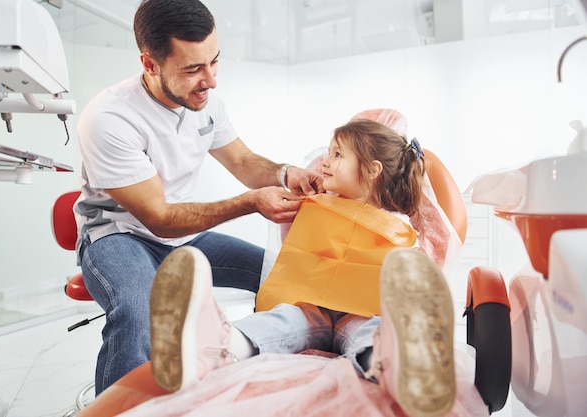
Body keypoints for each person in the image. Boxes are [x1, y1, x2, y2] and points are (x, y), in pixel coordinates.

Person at [74, 0, 324, 395]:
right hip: (119, 237)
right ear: (150, 64)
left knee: (280, 277)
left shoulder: (205, 102)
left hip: (181, 238)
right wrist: (250, 202)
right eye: (193, 69)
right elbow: (158, 217)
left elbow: (242, 160)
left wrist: (286, 173)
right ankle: (119, 407)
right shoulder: (110, 118)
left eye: (214, 62)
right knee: (141, 311)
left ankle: (257, 375)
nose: (210, 79)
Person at [149, 119, 457, 417]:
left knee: (373, 331)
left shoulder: (398, 225)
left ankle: (394, 362)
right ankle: (221, 344)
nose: (325, 160)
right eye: (328, 151)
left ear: (372, 170)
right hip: (313, 309)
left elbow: (405, 274)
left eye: (338, 155)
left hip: (362, 313)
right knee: (283, 320)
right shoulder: (317, 205)